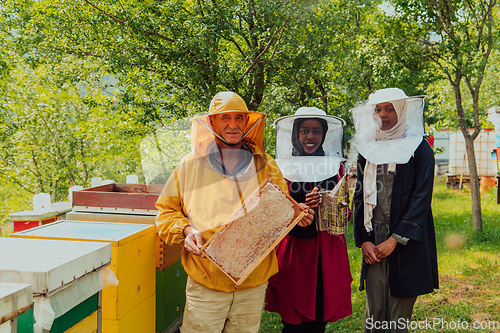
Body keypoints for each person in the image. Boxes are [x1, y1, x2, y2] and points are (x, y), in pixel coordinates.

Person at [155, 91, 314, 333]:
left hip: (252, 281)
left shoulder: (266, 164)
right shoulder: (189, 166)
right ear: (211, 123)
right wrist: (186, 230)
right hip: (206, 279)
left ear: (247, 122)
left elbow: (279, 209)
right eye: (225, 118)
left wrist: (295, 215)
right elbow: (166, 213)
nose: (233, 125)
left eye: (239, 118)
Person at [351, 88, 439, 332]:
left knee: (398, 316)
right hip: (374, 240)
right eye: (378, 109)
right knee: (374, 312)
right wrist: (364, 240)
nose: (383, 114)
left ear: (402, 111)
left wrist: (395, 240)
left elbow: (421, 199)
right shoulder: (368, 147)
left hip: (405, 241)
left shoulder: (418, 149)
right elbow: (359, 195)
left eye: (390, 108)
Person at [266, 107, 352, 333]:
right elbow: (272, 210)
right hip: (295, 253)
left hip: (326, 251)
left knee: (318, 319)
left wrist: (324, 201)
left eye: (316, 131)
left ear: (324, 134)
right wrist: (300, 205)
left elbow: (345, 209)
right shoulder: (281, 167)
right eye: (304, 131)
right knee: (292, 322)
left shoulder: (335, 167)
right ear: (295, 133)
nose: (310, 136)